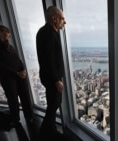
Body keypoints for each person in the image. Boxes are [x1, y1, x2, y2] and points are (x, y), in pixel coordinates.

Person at [0, 24, 34, 126]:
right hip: (8, 78)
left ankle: (29, 117)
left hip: (20, 76)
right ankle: (16, 120)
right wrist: (17, 73)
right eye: (8, 32)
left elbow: (18, 60)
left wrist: (23, 69)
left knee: (25, 96)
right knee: (13, 100)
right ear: (0, 32)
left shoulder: (9, 46)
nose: (10, 35)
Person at [36, 6, 66, 140]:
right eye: (62, 18)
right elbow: (48, 59)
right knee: (53, 104)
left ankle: (47, 131)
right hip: (52, 78)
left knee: (53, 104)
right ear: (54, 19)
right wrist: (56, 80)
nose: (64, 22)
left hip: (49, 76)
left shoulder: (45, 31)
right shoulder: (48, 33)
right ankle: (47, 133)